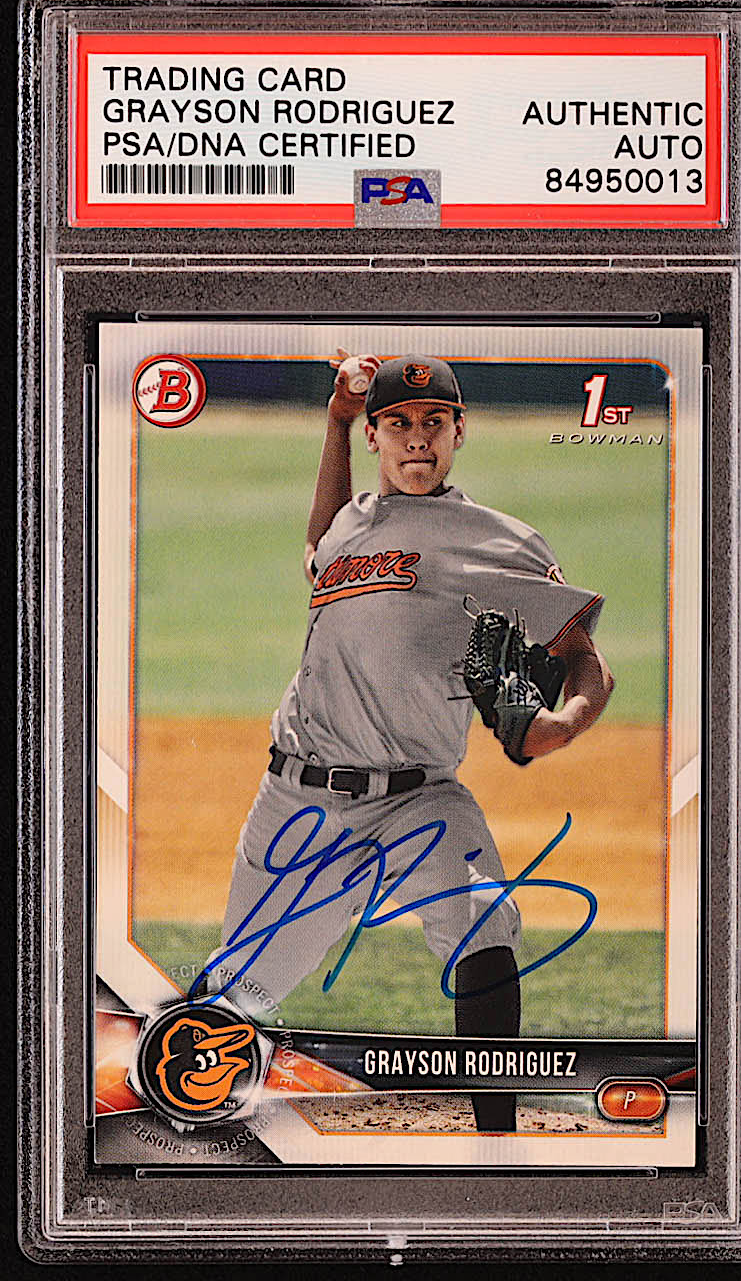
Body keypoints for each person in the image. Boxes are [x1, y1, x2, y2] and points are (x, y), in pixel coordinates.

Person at [200, 350, 613, 1133]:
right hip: (296, 805)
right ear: (375, 436)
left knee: (484, 921)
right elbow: (322, 543)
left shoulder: (501, 542)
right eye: (397, 424)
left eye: (433, 422)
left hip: (418, 801)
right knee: (234, 1004)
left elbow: (583, 656)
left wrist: (563, 725)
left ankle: (497, 1144)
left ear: (460, 430)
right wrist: (334, 420)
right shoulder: (351, 525)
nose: (416, 438)